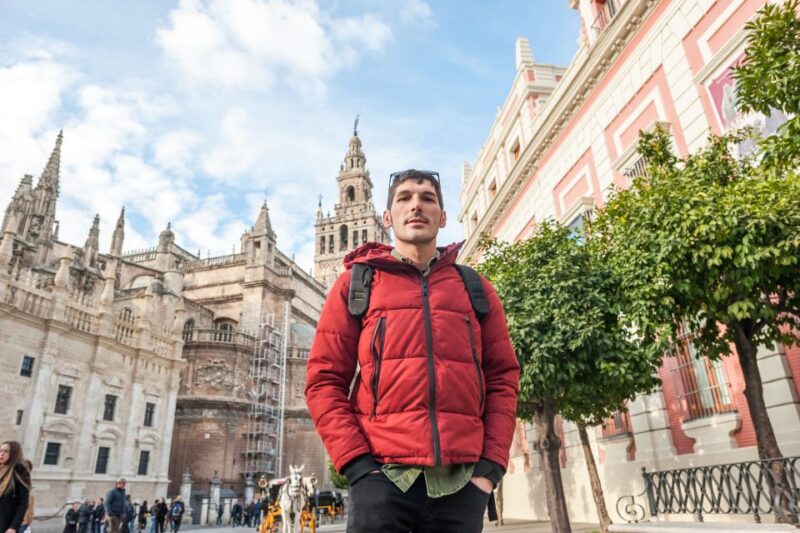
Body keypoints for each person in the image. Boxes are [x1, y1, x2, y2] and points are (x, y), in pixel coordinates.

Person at [306, 169, 520, 533]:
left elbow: (503, 378)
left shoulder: (474, 288)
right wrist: (358, 467)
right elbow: (323, 381)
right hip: (380, 483)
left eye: (427, 198)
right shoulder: (355, 284)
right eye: (404, 197)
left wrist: (488, 471)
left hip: (460, 486)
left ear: (443, 216)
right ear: (387, 218)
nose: (416, 205)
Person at [0, 441, 31, 533]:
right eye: (1, 450)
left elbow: (23, 503)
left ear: (13, 454)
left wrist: (13, 527)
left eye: (6, 451)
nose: (1, 453)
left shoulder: (20, 472)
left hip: (5, 524)